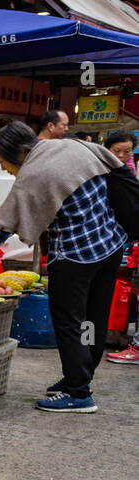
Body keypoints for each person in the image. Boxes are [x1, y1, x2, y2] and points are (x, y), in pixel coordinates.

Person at [0, 121, 128, 413]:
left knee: (70, 322)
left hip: (76, 257)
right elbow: (118, 167)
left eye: (3, 163)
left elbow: (1, 228)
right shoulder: (72, 145)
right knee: (93, 318)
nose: (5, 171)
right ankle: (79, 379)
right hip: (110, 245)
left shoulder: (34, 173)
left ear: (19, 152)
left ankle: (78, 394)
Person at [103, 129, 139, 364]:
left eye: (127, 152)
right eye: (117, 151)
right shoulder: (101, 169)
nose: (123, 155)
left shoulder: (128, 171)